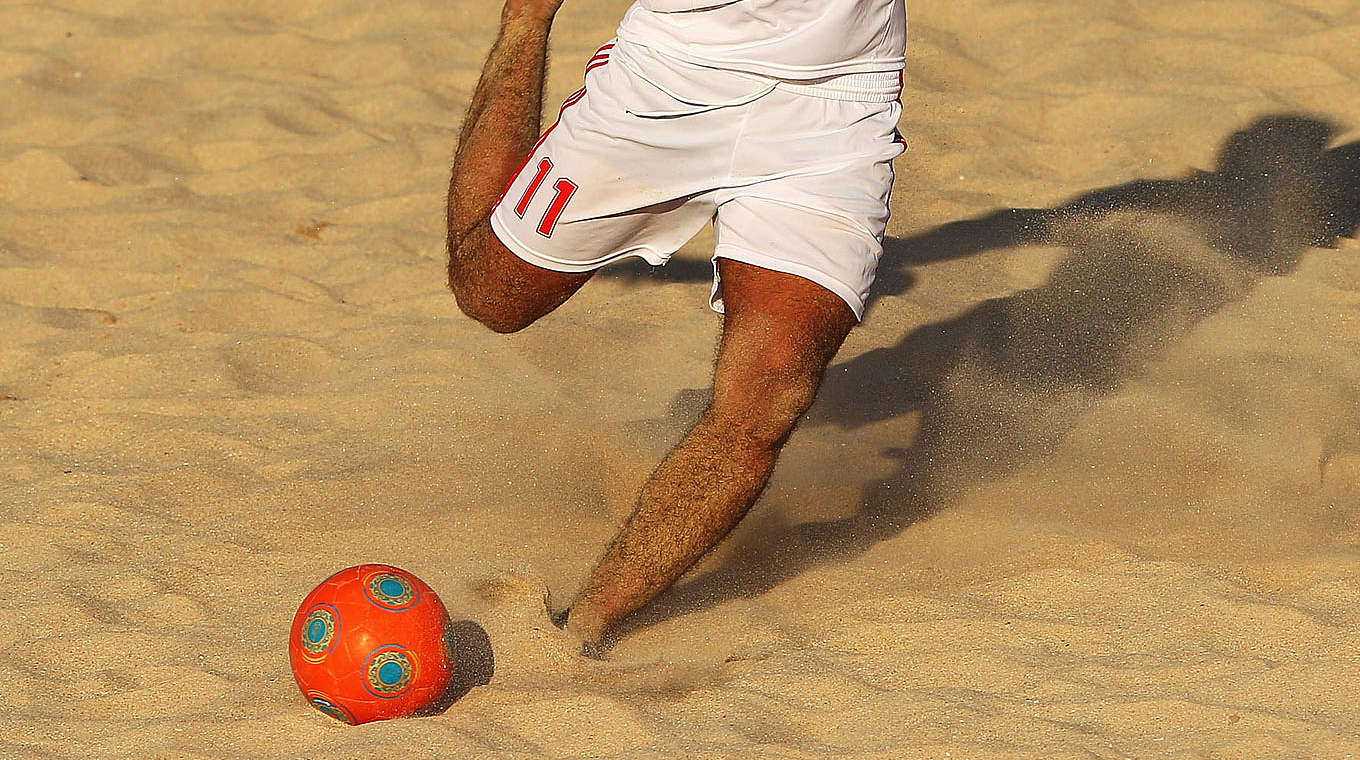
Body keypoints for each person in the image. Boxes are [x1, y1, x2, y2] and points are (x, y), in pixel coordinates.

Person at [446, 0, 908, 653]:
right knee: (490, 294)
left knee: (770, 395)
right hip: (671, 70)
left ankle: (584, 627)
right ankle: (526, 19)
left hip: (835, 100)